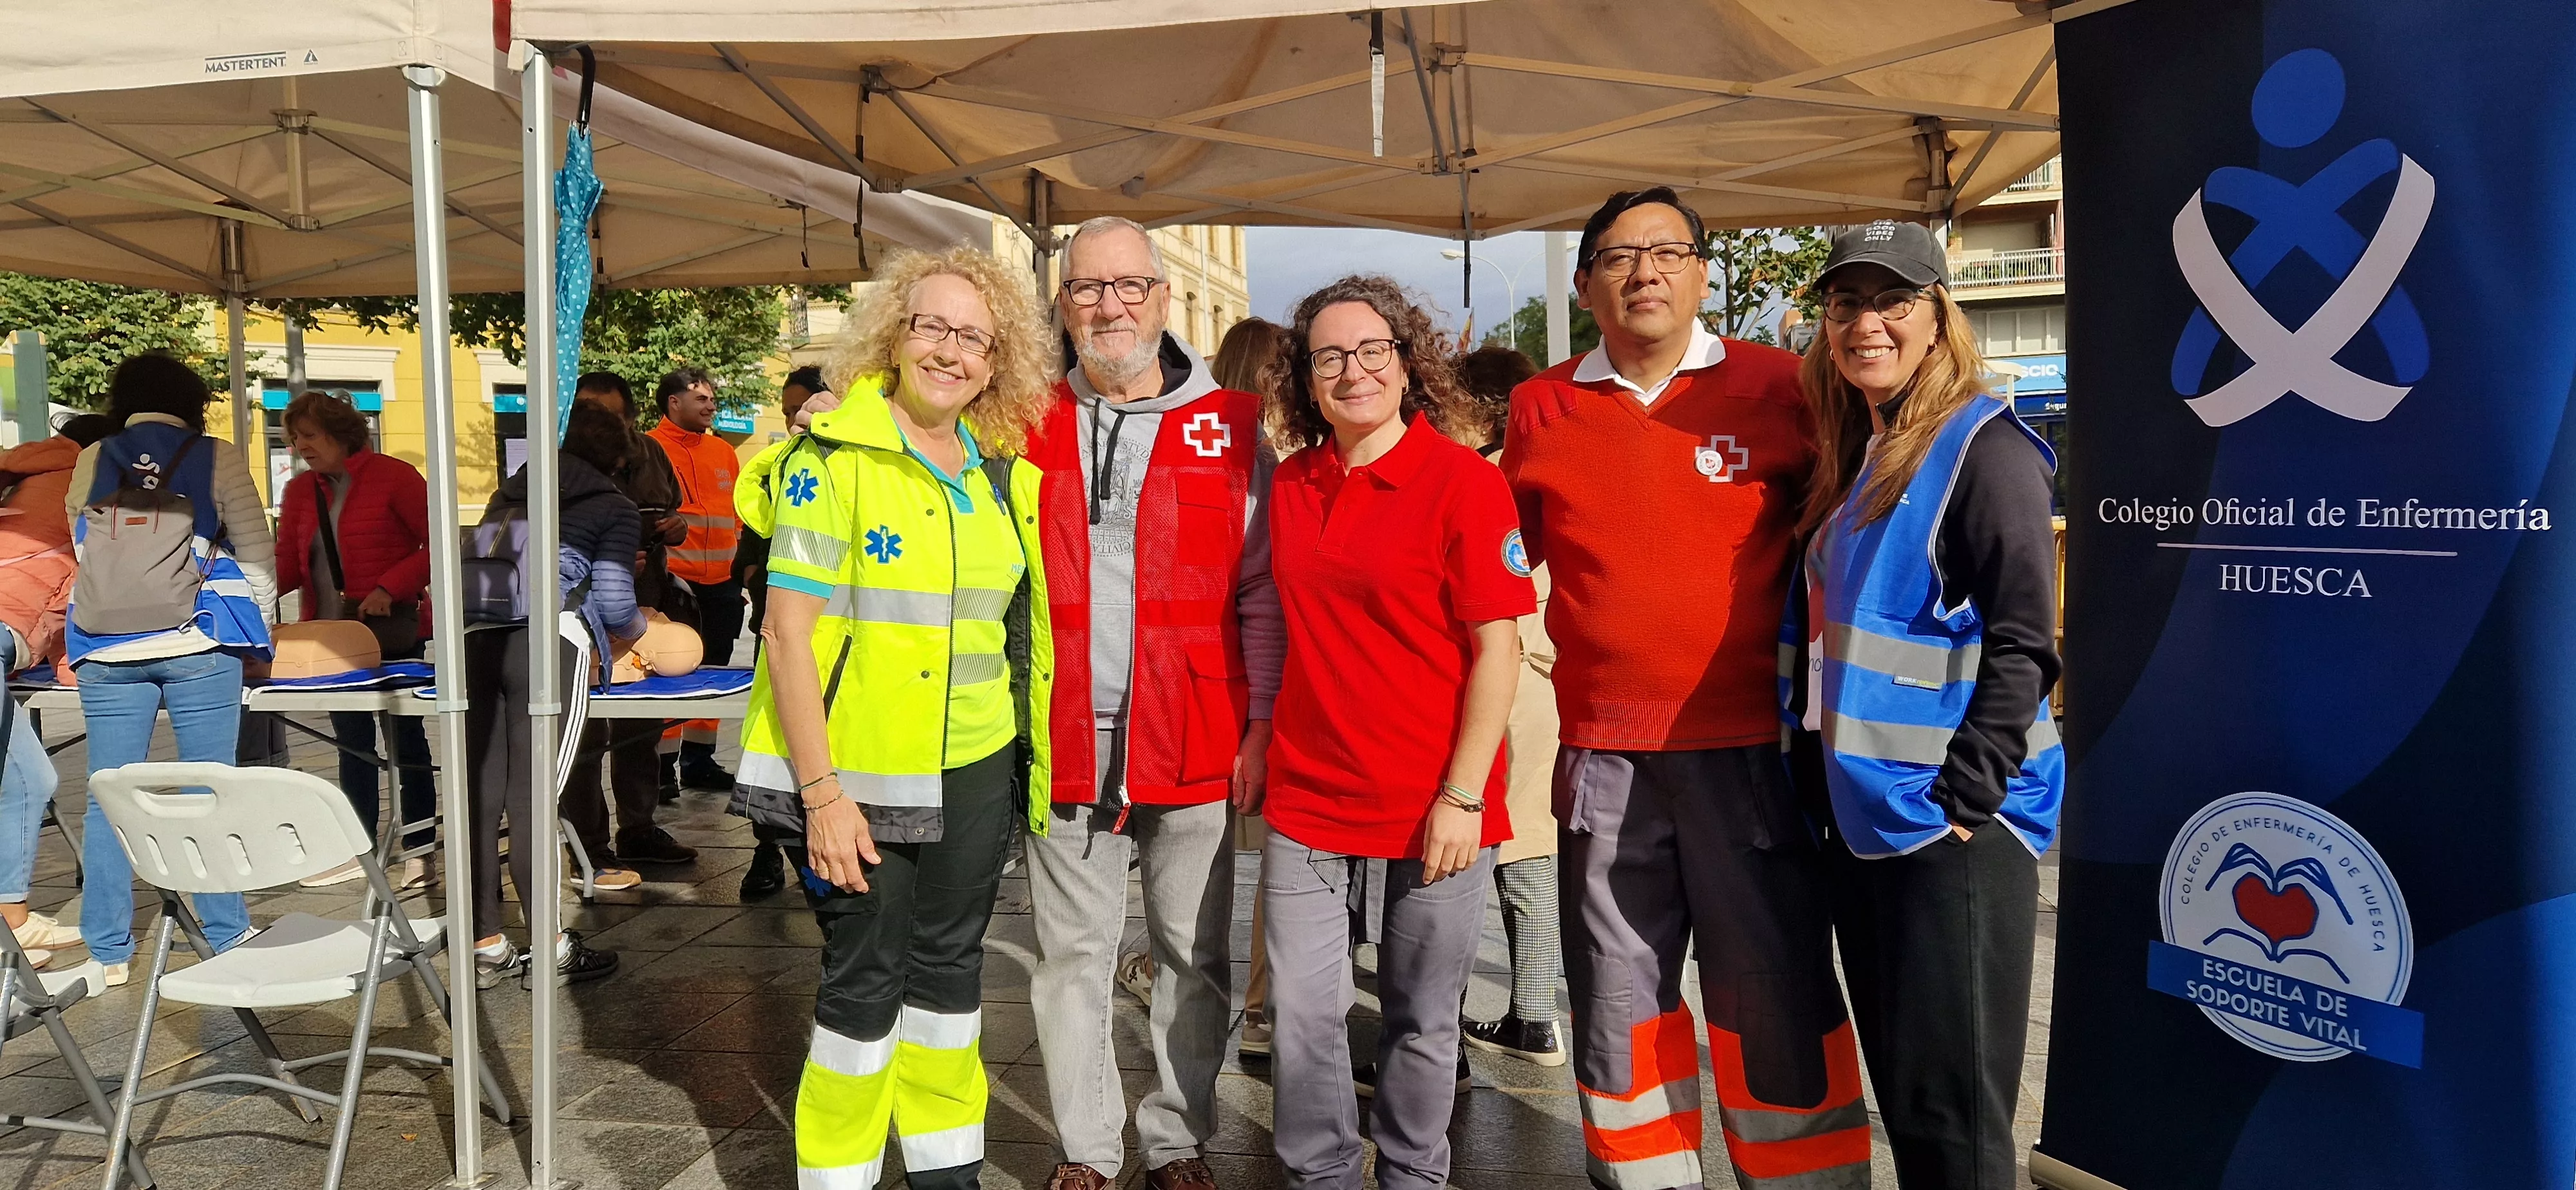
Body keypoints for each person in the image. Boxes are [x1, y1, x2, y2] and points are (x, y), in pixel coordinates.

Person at [1502, 189, 1869, 1189]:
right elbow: (1497, 569)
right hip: (1605, 759)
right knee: (1622, 1005)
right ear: (1585, 286)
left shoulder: (1781, 386)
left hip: (1752, 752)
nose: (1645, 273)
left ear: (1705, 270)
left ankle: (1806, 1182)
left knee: (1774, 998)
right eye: (1619, 257)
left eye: (1668, 252)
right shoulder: (1539, 407)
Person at [735, 245, 1055, 1190]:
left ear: (997, 361)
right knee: (865, 985)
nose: (950, 351)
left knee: (953, 979)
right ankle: (837, 1177)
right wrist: (822, 794)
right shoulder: (828, 458)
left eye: (973, 337)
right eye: (932, 326)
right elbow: (788, 640)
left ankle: (947, 1172)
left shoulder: (1001, 475)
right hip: (862, 774)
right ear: (893, 336)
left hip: (976, 763)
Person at [1791, 220, 2061, 1189]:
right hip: (1874, 824)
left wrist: (1965, 800)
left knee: (1960, 1128)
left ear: (1939, 316)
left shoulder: (1986, 451)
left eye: (1892, 300)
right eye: (1846, 303)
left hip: (1953, 834)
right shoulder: (1869, 449)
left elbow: (2029, 643)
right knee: (1914, 1108)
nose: (1867, 322)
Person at [1251, 275, 1531, 1190]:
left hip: (1434, 805)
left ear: (1409, 364)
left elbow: (1500, 650)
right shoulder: (1291, 484)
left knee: (1422, 1018)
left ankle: (1414, 1175)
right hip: (1308, 796)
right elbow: (1273, 619)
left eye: (1373, 350)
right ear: (1306, 378)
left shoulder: (1464, 484)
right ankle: (1321, 1175)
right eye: (1329, 356)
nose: (1353, 370)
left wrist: (1461, 794)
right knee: (1302, 1016)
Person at [1023, 219, 1282, 1190]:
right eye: (1088, 289)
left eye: (1130, 287)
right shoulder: (1022, 418)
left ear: (1165, 300)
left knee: (1191, 952)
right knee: (1070, 957)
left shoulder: (1235, 425)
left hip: (1197, 732)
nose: (1110, 306)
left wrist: (1258, 726)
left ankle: (1177, 1134)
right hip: (1063, 738)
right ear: (1064, 303)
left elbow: (1260, 589)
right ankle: (1087, 1147)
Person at [62, 354, 275, 985]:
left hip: (103, 646)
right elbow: (257, 554)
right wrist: (258, 635)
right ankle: (226, 928)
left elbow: (83, 548)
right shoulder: (219, 456)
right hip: (197, 642)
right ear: (192, 401)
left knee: (107, 796)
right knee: (206, 789)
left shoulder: (91, 456)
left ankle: (106, 949)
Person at [460, 399, 637, 988]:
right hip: (552, 645)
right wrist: (641, 634)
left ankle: (485, 941)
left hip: (480, 639)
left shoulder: (508, 494)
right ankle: (551, 945)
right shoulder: (614, 505)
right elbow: (613, 603)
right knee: (536, 798)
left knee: (481, 796)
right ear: (614, 456)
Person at [270, 391, 437, 891]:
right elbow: (285, 562)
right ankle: (359, 846)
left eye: (310, 436)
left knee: (406, 741)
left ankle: (420, 848)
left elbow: (440, 544)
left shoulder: (395, 476)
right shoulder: (301, 491)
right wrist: (248, 594)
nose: (301, 446)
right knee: (353, 745)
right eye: (295, 437)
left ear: (342, 434)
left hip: (389, 632)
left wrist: (392, 586)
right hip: (327, 638)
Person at [1452, 345, 1566, 1068]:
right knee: (1531, 851)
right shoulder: (1542, 471)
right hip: (1542, 681)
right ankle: (1533, 1017)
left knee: (1459, 856)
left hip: (1490, 680)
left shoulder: (1475, 476)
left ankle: (1442, 1043)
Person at [558, 371, 691, 882]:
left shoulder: (652, 455)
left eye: (609, 415)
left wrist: (674, 528)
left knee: (642, 728)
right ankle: (589, 849)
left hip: (646, 608)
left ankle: (639, 827)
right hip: (585, 624)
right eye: (587, 412)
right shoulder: (558, 466)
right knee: (583, 736)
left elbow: (672, 510)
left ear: (630, 419)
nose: (597, 423)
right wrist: (606, 567)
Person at [0, 413, 115, 964]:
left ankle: (14, 923)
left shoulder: (24, 472)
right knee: (23, 780)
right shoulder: (85, 486)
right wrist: (83, 673)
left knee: (28, 779)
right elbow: (77, 587)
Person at [732, 366, 839, 900]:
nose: (797, 415)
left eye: (805, 402)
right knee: (780, 753)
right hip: (780, 631)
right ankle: (767, 850)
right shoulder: (788, 466)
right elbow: (754, 534)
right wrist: (749, 573)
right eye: (788, 406)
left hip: (837, 654)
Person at [649, 366, 746, 793]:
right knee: (669, 671)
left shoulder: (723, 452)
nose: (711, 406)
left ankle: (699, 759)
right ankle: (661, 766)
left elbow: (739, 513)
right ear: (674, 403)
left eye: (711, 399)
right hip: (674, 583)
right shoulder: (649, 448)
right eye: (701, 399)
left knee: (714, 670)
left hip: (722, 583)